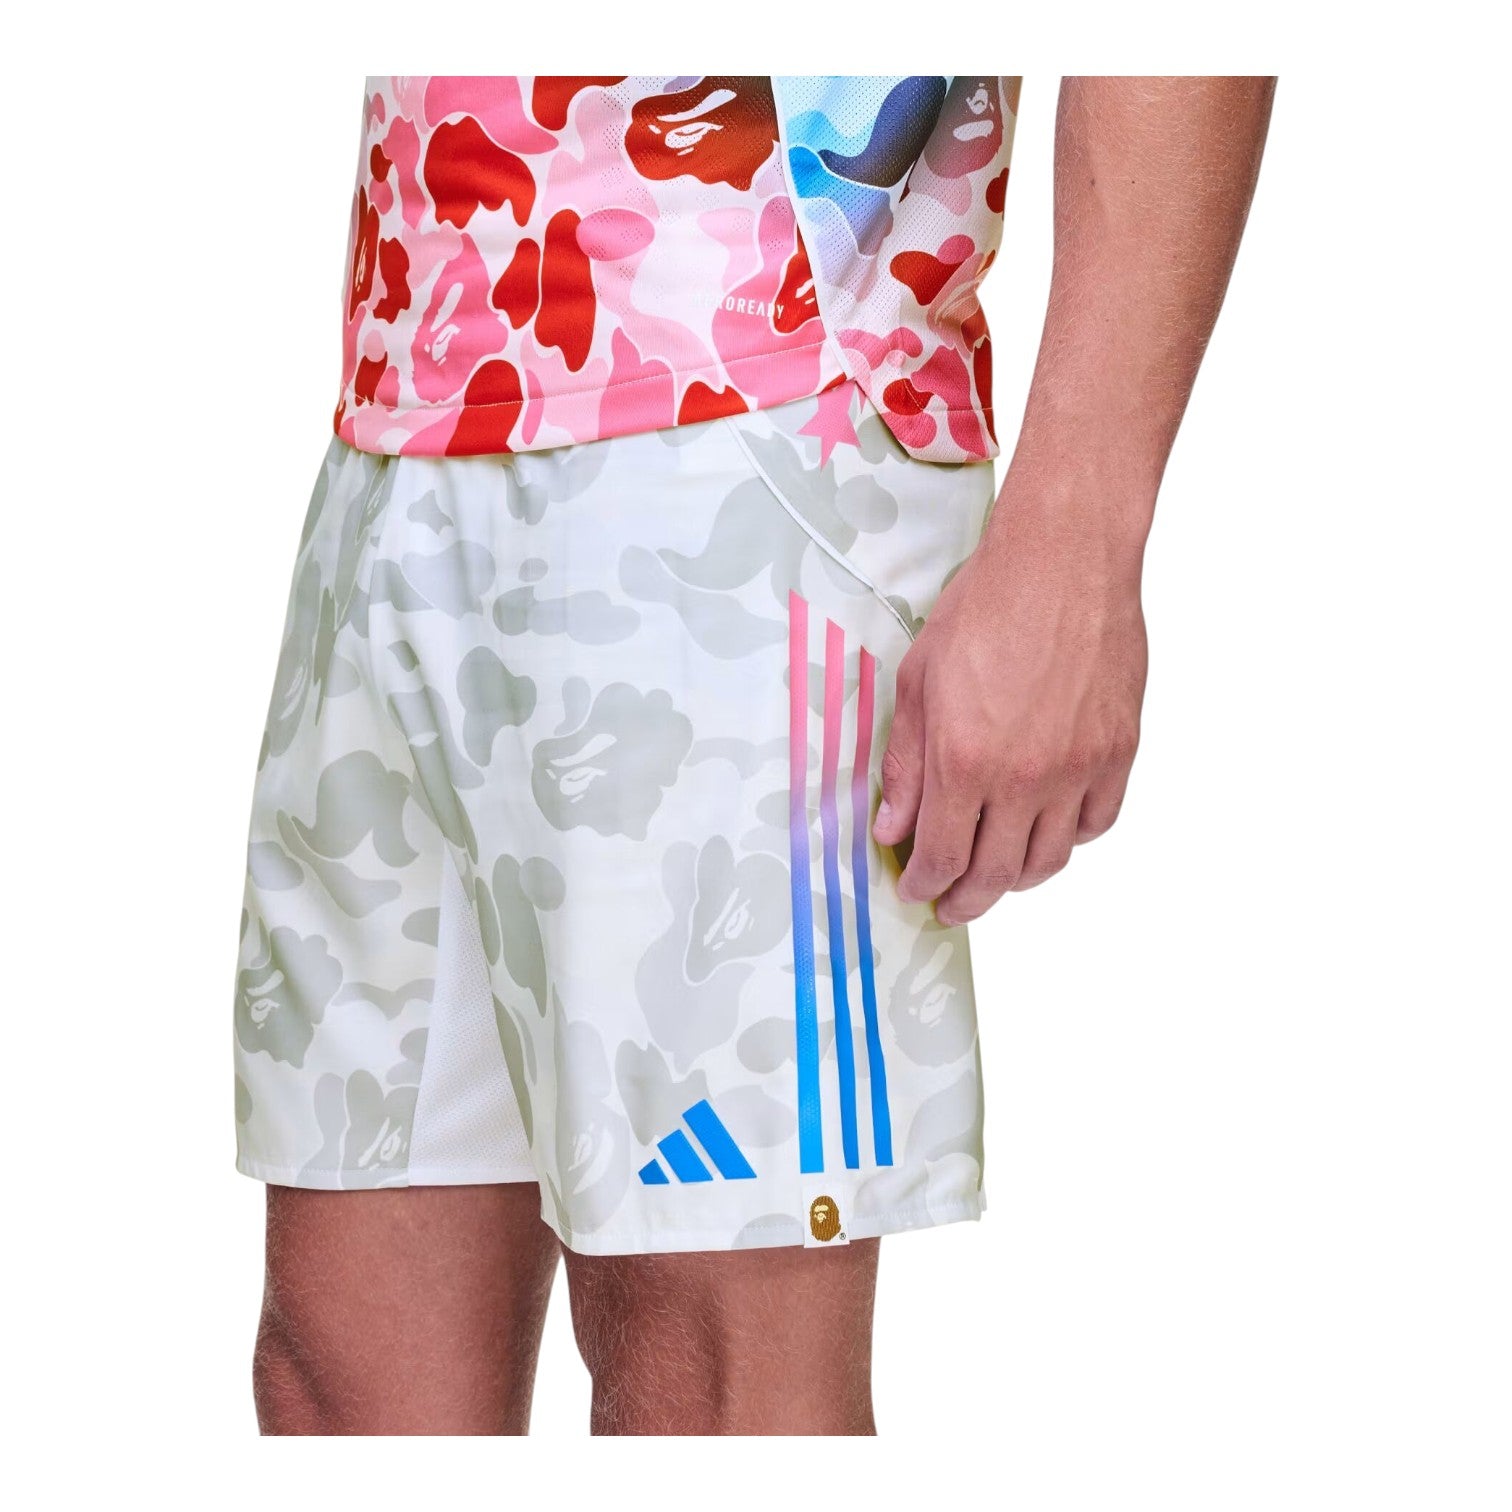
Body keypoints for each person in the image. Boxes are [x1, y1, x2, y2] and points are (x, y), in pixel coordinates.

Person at [233, 74, 1275, 1435]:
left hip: (757, 393)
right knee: (337, 1381)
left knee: (707, 1376)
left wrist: (1079, 540)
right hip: (407, 384)